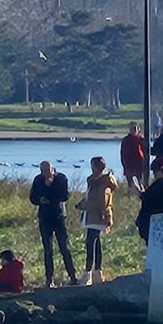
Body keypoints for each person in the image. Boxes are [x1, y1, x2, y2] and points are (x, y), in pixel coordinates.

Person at [29, 161, 78, 288]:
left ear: (52, 169)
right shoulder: (38, 180)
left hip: (58, 216)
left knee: (64, 248)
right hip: (45, 217)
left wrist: (50, 188)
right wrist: (40, 200)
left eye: (47, 170)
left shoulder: (61, 179)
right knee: (48, 250)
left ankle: (72, 276)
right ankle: (49, 279)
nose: (45, 173)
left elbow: (64, 196)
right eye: (42, 171)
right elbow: (32, 197)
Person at [76, 156, 118, 286]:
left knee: (90, 244)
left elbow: (100, 203)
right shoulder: (98, 182)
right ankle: (97, 273)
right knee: (96, 244)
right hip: (95, 216)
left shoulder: (103, 183)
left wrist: (84, 206)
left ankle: (88, 274)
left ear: (95, 167)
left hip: (97, 217)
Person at [135, 156, 163, 244]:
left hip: (155, 224)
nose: (154, 174)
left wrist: (138, 192)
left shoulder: (160, 185)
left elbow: (146, 197)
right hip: (161, 224)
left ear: (160, 171)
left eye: (155, 171)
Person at [120, 122, 145, 194]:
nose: (134, 130)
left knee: (141, 184)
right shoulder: (126, 140)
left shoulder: (141, 139)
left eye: (135, 128)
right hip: (129, 165)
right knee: (131, 185)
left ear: (138, 129)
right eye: (132, 128)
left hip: (140, 165)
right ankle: (132, 198)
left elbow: (146, 152)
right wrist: (125, 166)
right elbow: (123, 154)